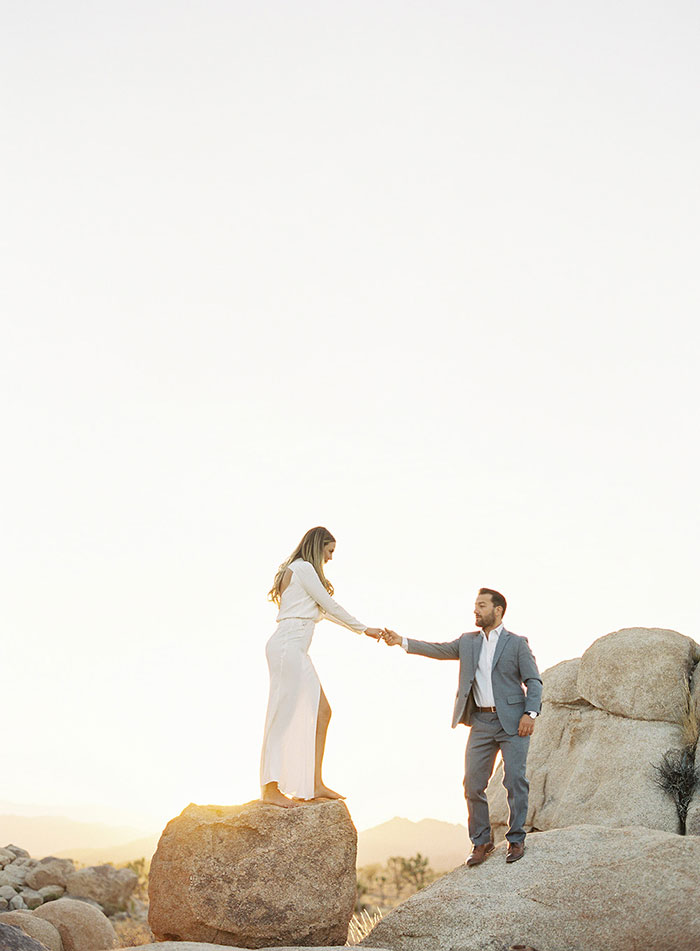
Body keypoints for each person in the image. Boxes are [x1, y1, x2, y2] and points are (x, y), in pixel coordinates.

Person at [382, 588, 542, 864]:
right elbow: (438, 650)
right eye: (475, 606)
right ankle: (481, 842)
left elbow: (534, 680)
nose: (476, 611)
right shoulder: (467, 642)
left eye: (481, 606)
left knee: (515, 780)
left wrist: (530, 713)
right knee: (472, 784)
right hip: (480, 722)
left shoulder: (517, 644)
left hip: (513, 723)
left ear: (498, 610)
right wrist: (402, 641)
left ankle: (516, 839)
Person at [260, 526, 383, 808]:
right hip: (286, 647)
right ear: (318, 546)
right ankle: (270, 788)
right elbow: (329, 604)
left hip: (297, 650)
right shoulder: (302, 568)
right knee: (281, 716)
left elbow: (324, 611)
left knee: (323, 712)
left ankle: (314, 783)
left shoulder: (303, 572)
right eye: (329, 552)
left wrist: (365, 631)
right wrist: (364, 628)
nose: (330, 559)